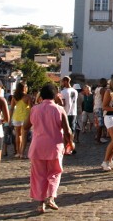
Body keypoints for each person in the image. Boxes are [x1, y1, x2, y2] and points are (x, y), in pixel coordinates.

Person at [24, 83, 73, 214]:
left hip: (37, 146)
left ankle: (40, 203)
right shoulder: (59, 109)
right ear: (55, 95)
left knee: (38, 175)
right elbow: (68, 131)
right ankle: (51, 197)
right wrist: (70, 142)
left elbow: (25, 126)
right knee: (55, 172)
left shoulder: (35, 109)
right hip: (54, 146)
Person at [9, 82, 33, 158]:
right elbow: (31, 108)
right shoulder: (27, 97)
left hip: (16, 117)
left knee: (17, 135)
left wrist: (10, 118)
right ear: (24, 88)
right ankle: (22, 153)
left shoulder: (14, 97)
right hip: (25, 117)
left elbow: (11, 108)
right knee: (24, 135)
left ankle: (18, 152)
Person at [93, 78, 109, 144]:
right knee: (100, 124)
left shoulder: (97, 89)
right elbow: (103, 99)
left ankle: (97, 137)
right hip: (100, 107)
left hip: (96, 107)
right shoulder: (102, 89)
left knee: (98, 124)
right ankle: (98, 139)